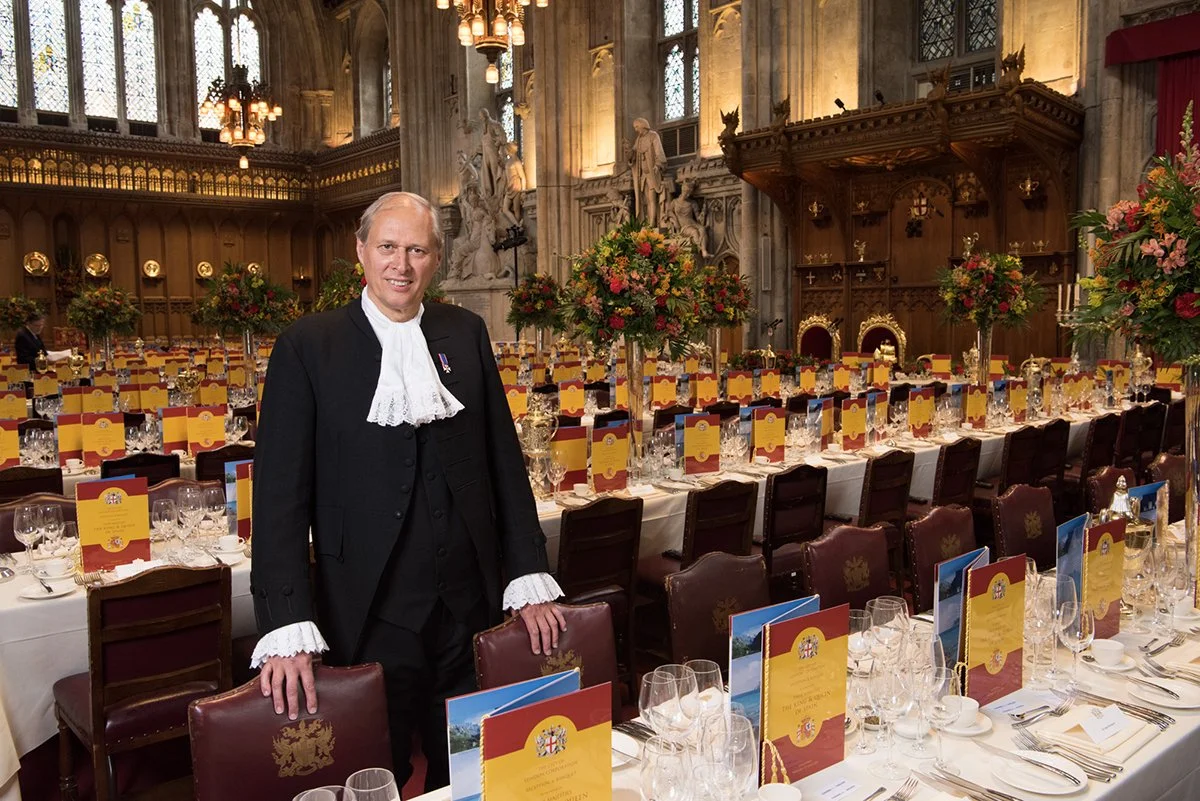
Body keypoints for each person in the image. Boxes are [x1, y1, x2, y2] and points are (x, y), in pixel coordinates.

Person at [250, 191, 565, 791]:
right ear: (361, 252)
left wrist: (527, 577)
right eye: (388, 247)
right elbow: (279, 501)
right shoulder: (307, 346)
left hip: (467, 605)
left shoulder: (465, 333)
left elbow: (504, 463)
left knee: (473, 767)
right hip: (364, 612)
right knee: (377, 774)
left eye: (417, 249)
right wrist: (286, 624)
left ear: (436, 258)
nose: (402, 263)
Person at [627, 117, 667, 228]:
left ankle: (652, 223)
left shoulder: (653, 136)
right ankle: (648, 222)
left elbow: (659, 153)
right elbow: (633, 156)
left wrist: (658, 165)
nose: (636, 130)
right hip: (642, 176)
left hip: (652, 175)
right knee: (645, 201)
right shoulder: (638, 140)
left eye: (637, 127)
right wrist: (628, 152)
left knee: (651, 199)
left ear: (643, 125)